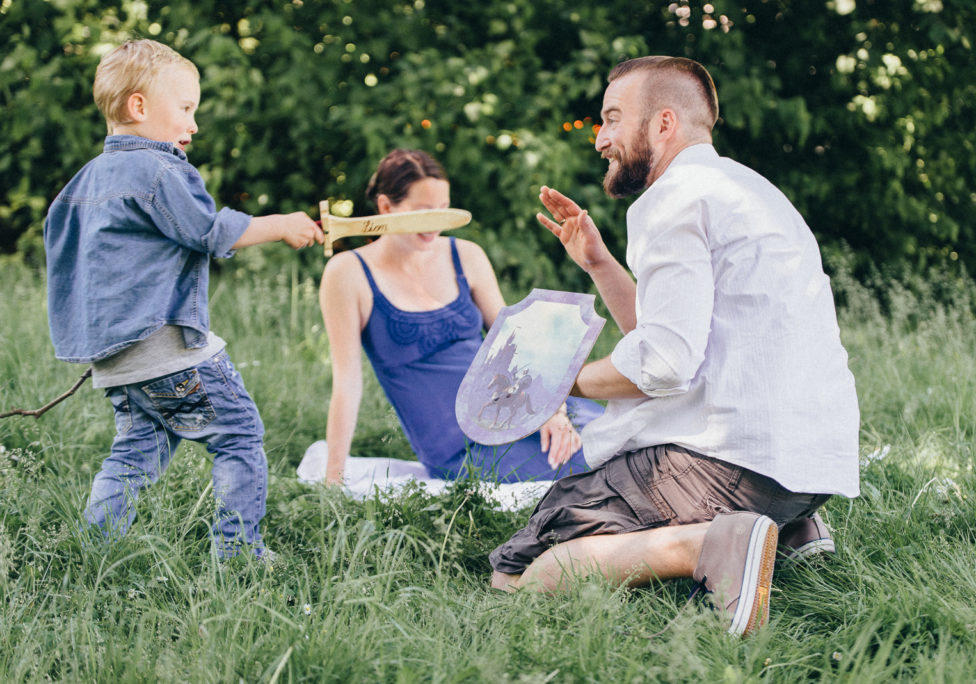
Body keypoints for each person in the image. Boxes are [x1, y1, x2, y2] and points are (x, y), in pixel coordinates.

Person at [488, 56, 859, 637]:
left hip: (734, 462)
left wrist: (564, 379)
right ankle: (787, 530)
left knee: (518, 572)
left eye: (612, 118)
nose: (601, 139)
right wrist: (599, 262)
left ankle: (714, 543)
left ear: (663, 124)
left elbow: (662, 364)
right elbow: (671, 335)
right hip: (808, 463)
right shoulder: (748, 188)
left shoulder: (671, 199)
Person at [44, 40, 323, 560]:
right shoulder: (158, 169)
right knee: (238, 435)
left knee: (133, 454)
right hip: (167, 349)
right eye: (186, 108)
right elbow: (208, 232)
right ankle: (238, 553)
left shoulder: (82, 182)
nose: (193, 124)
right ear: (139, 106)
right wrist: (281, 225)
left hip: (115, 360)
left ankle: (93, 551)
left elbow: (65, 256)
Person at [318, 149, 603, 486]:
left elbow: (513, 342)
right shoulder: (348, 273)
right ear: (385, 208)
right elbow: (348, 382)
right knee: (594, 465)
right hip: (460, 443)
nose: (437, 223)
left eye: (443, 210)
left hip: (516, 402)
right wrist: (333, 480)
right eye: (424, 212)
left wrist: (551, 410)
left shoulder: (465, 255)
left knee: (622, 431)